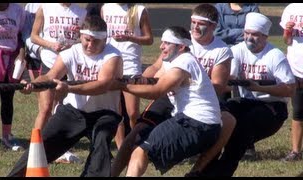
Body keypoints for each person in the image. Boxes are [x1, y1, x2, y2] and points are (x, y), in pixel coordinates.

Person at [111, 4, 236, 177]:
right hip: (173, 99)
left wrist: (124, 86)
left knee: (142, 150)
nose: (195, 27)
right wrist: (135, 80)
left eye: (201, 23)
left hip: (195, 113)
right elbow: (156, 71)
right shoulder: (178, 41)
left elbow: (217, 86)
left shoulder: (215, 51)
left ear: (213, 26)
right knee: (136, 134)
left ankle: (197, 171)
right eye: (193, 22)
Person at [7, 15, 123, 177]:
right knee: (43, 145)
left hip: (104, 113)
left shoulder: (113, 56)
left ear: (105, 40)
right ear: (80, 36)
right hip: (74, 111)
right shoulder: (71, 53)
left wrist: (69, 88)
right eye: (87, 40)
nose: (90, 45)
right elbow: (50, 76)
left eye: (95, 41)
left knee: (101, 141)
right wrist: (33, 85)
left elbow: (102, 85)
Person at [199, 12, 296, 177]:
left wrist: (259, 88)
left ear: (265, 36)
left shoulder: (275, 56)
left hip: (272, 108)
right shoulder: (236, 51)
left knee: (239, 131)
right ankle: (202, 170)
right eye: (247, 33)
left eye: (255, 35)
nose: (249, 38)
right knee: (218, 118)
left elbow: (289, 88)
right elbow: (228, 82)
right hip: (244, 102)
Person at [30, 3, 87, 163]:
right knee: (46, 108)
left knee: (61, 109)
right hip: (50, 63)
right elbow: (33, 36)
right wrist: (51, 45)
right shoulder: (45, 8)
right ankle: (35, 149)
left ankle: (60, 149)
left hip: (69, 65)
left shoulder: (81, 12)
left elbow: (85, 39)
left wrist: (74, 45)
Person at [101, 3, 154, 149]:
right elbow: (102, 35)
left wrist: (129, 38)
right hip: (111, 62)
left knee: (132, 113)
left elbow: (149, 39)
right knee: (115, 111)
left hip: (130, 64)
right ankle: (121, 147)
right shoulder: (106, 7)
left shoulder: (139, 10)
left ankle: (136, 143)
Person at [214, 3, 260, 159]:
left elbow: (256, 32)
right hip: (222, 57)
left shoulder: (252, 8)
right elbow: (217, 33)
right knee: (220, 102)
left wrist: (231, 34)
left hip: (246, 56)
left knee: (243, 102)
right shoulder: (219, 8)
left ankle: (247, 146)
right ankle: (215, 145)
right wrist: (243, 33)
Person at [0, 3, 26, 154]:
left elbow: (21, 36)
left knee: (8, 98)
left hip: (12, 61)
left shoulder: (18, 10)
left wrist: (21, 55)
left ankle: (7, 136)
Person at [279, 3, 303, 162]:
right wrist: (288, 30)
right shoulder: (291, 8)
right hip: (296, 69)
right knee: (299, 110)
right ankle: (296, 151)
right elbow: (287, 41)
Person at [22, 3, 42, 81]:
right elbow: (25, 33)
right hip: (35, 56)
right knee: (39, 89)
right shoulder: (30, 6)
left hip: (53, 55)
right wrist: (37, 49)